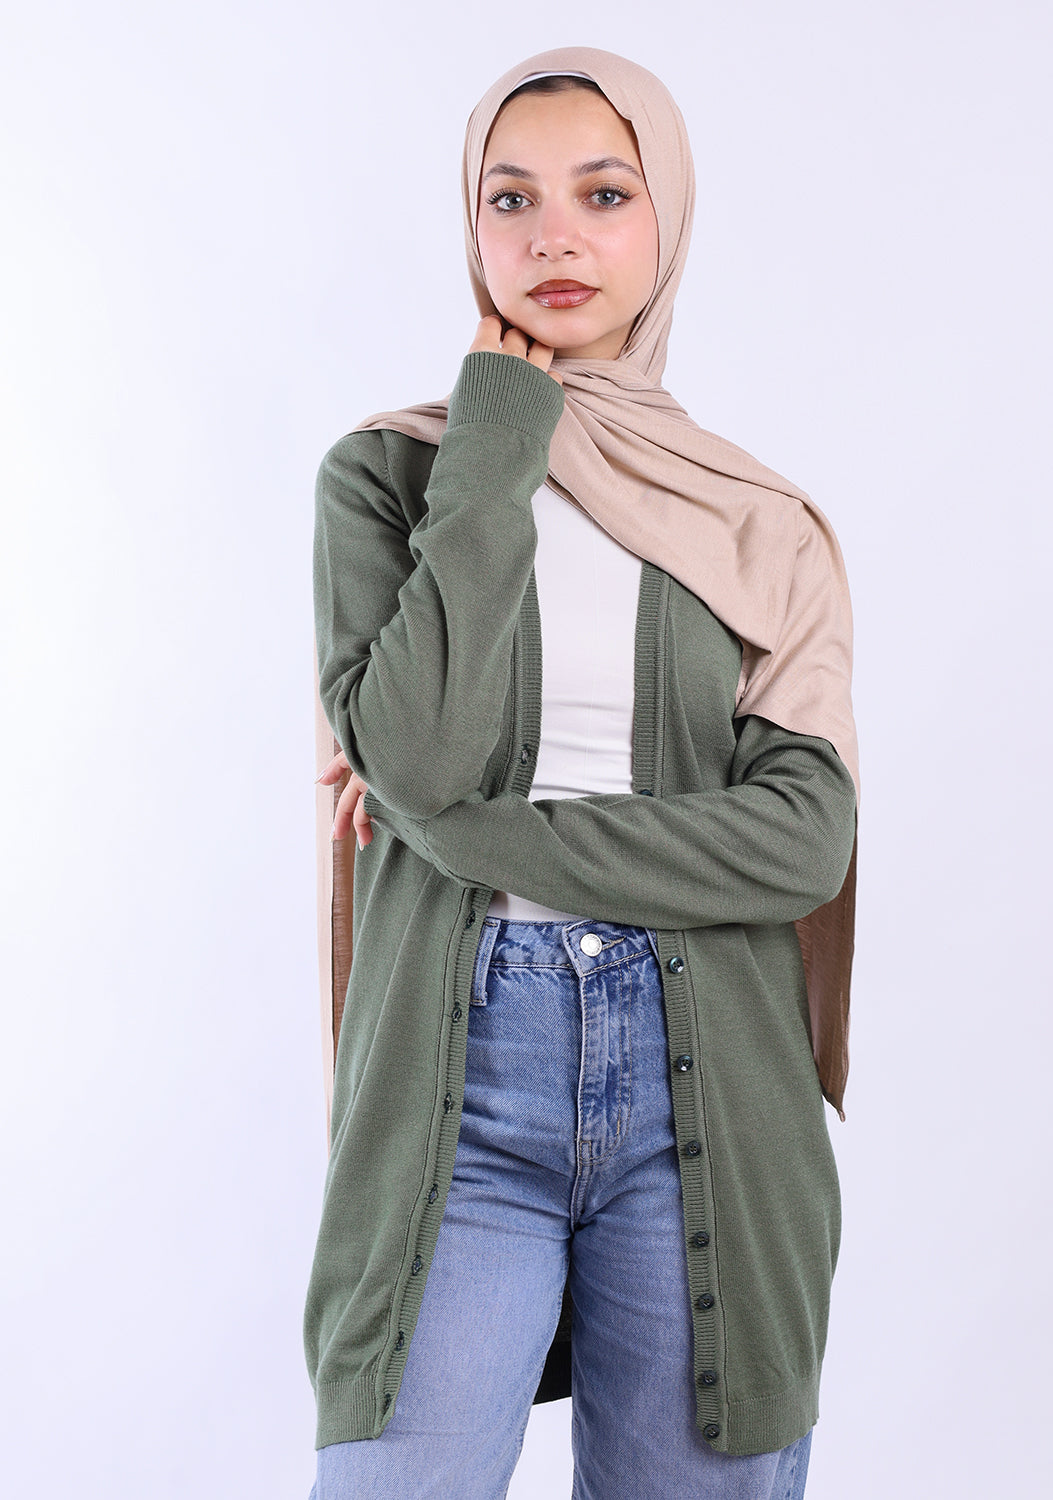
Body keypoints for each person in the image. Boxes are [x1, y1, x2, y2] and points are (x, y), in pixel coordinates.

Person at [305, 45, 860, 1500]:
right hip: (457, 1087)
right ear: (470, 229)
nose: (555, 235)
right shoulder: (394, 474)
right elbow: (413, 746)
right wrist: (497, 439)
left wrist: (466, 829)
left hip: (713, 1109)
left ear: (663, 218)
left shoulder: (758, 525)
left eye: (603, 194)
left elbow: (803, 842)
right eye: (513, 198)